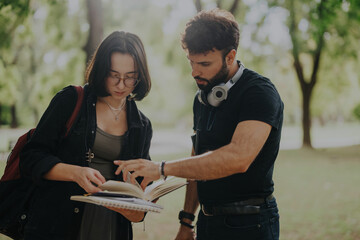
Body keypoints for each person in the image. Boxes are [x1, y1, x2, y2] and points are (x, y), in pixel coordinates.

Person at [114, 8, 284, 240]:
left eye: (204, 63)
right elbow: (198, 159)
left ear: (231, 57)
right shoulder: (203, 97)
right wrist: (186, 220)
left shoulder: (259, 93)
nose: (194, 71)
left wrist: (162, 168)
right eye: (191, 62)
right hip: (207, 222)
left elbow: (238, 158)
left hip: (250, 223)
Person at [19, 31, 152, 240]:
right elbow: (30, 157)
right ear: (101, 70)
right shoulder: (71, 100)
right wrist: (74, 173)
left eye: (130, 77)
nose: (121, 85)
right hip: (57, 224)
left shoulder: (142, 125)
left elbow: (138, 204)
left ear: (141, 75)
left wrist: (137, 210)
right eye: (114, 75)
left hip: (111, 228)